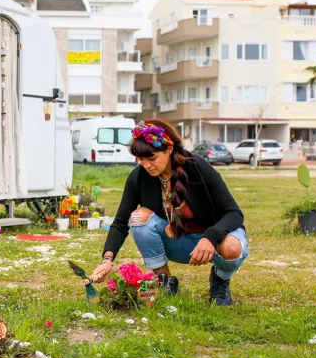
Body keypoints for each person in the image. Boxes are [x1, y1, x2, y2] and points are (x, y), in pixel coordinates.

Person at [88, 119, 248, 305]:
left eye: (152, 158)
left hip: (215, 243)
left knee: (231, 247)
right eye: (141, 159)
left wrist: (210, 237)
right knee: (138, 217)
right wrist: (107, 259)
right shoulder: (138, 178)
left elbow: (234, 214)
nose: (146, 165)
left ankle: (220, 280)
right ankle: (165, 283)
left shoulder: (197, 167)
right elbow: (120, 222)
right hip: (181, 243)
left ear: (169, 149)